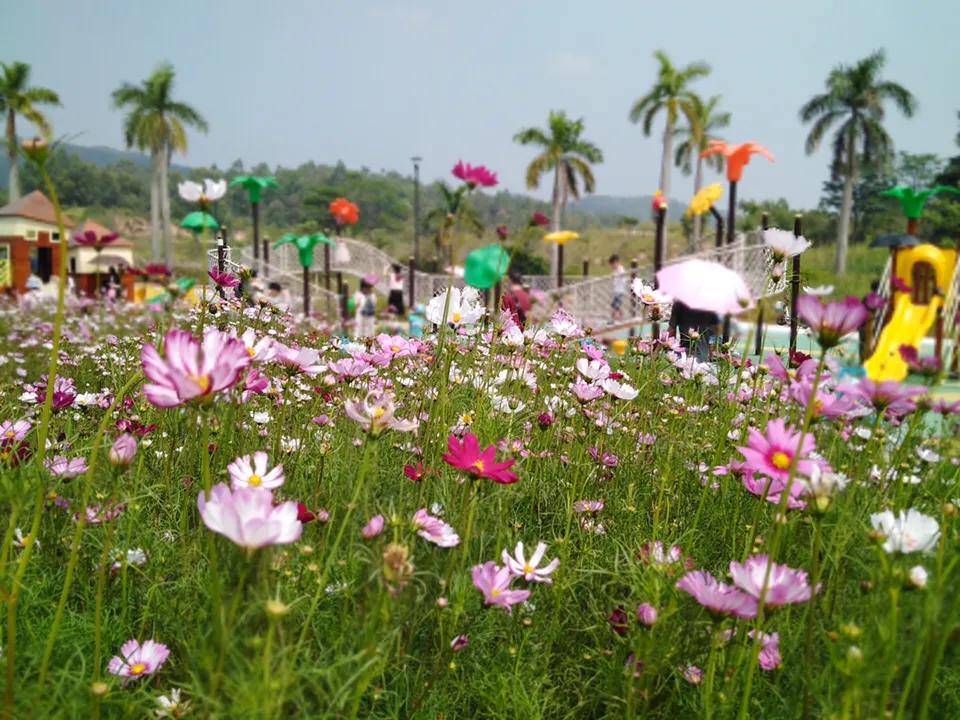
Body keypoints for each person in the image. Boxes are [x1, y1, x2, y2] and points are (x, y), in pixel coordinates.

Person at [609, 254, 626, 322]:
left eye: (612, 264)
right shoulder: (615, 270)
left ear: (616, 262)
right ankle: (618, 319)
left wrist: (617, 272)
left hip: (619, 291)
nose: (612, 266)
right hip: (616, 291)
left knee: (615, 307)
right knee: (615, 306)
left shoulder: (621, 269)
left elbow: (622, 277)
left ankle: (617, 320)